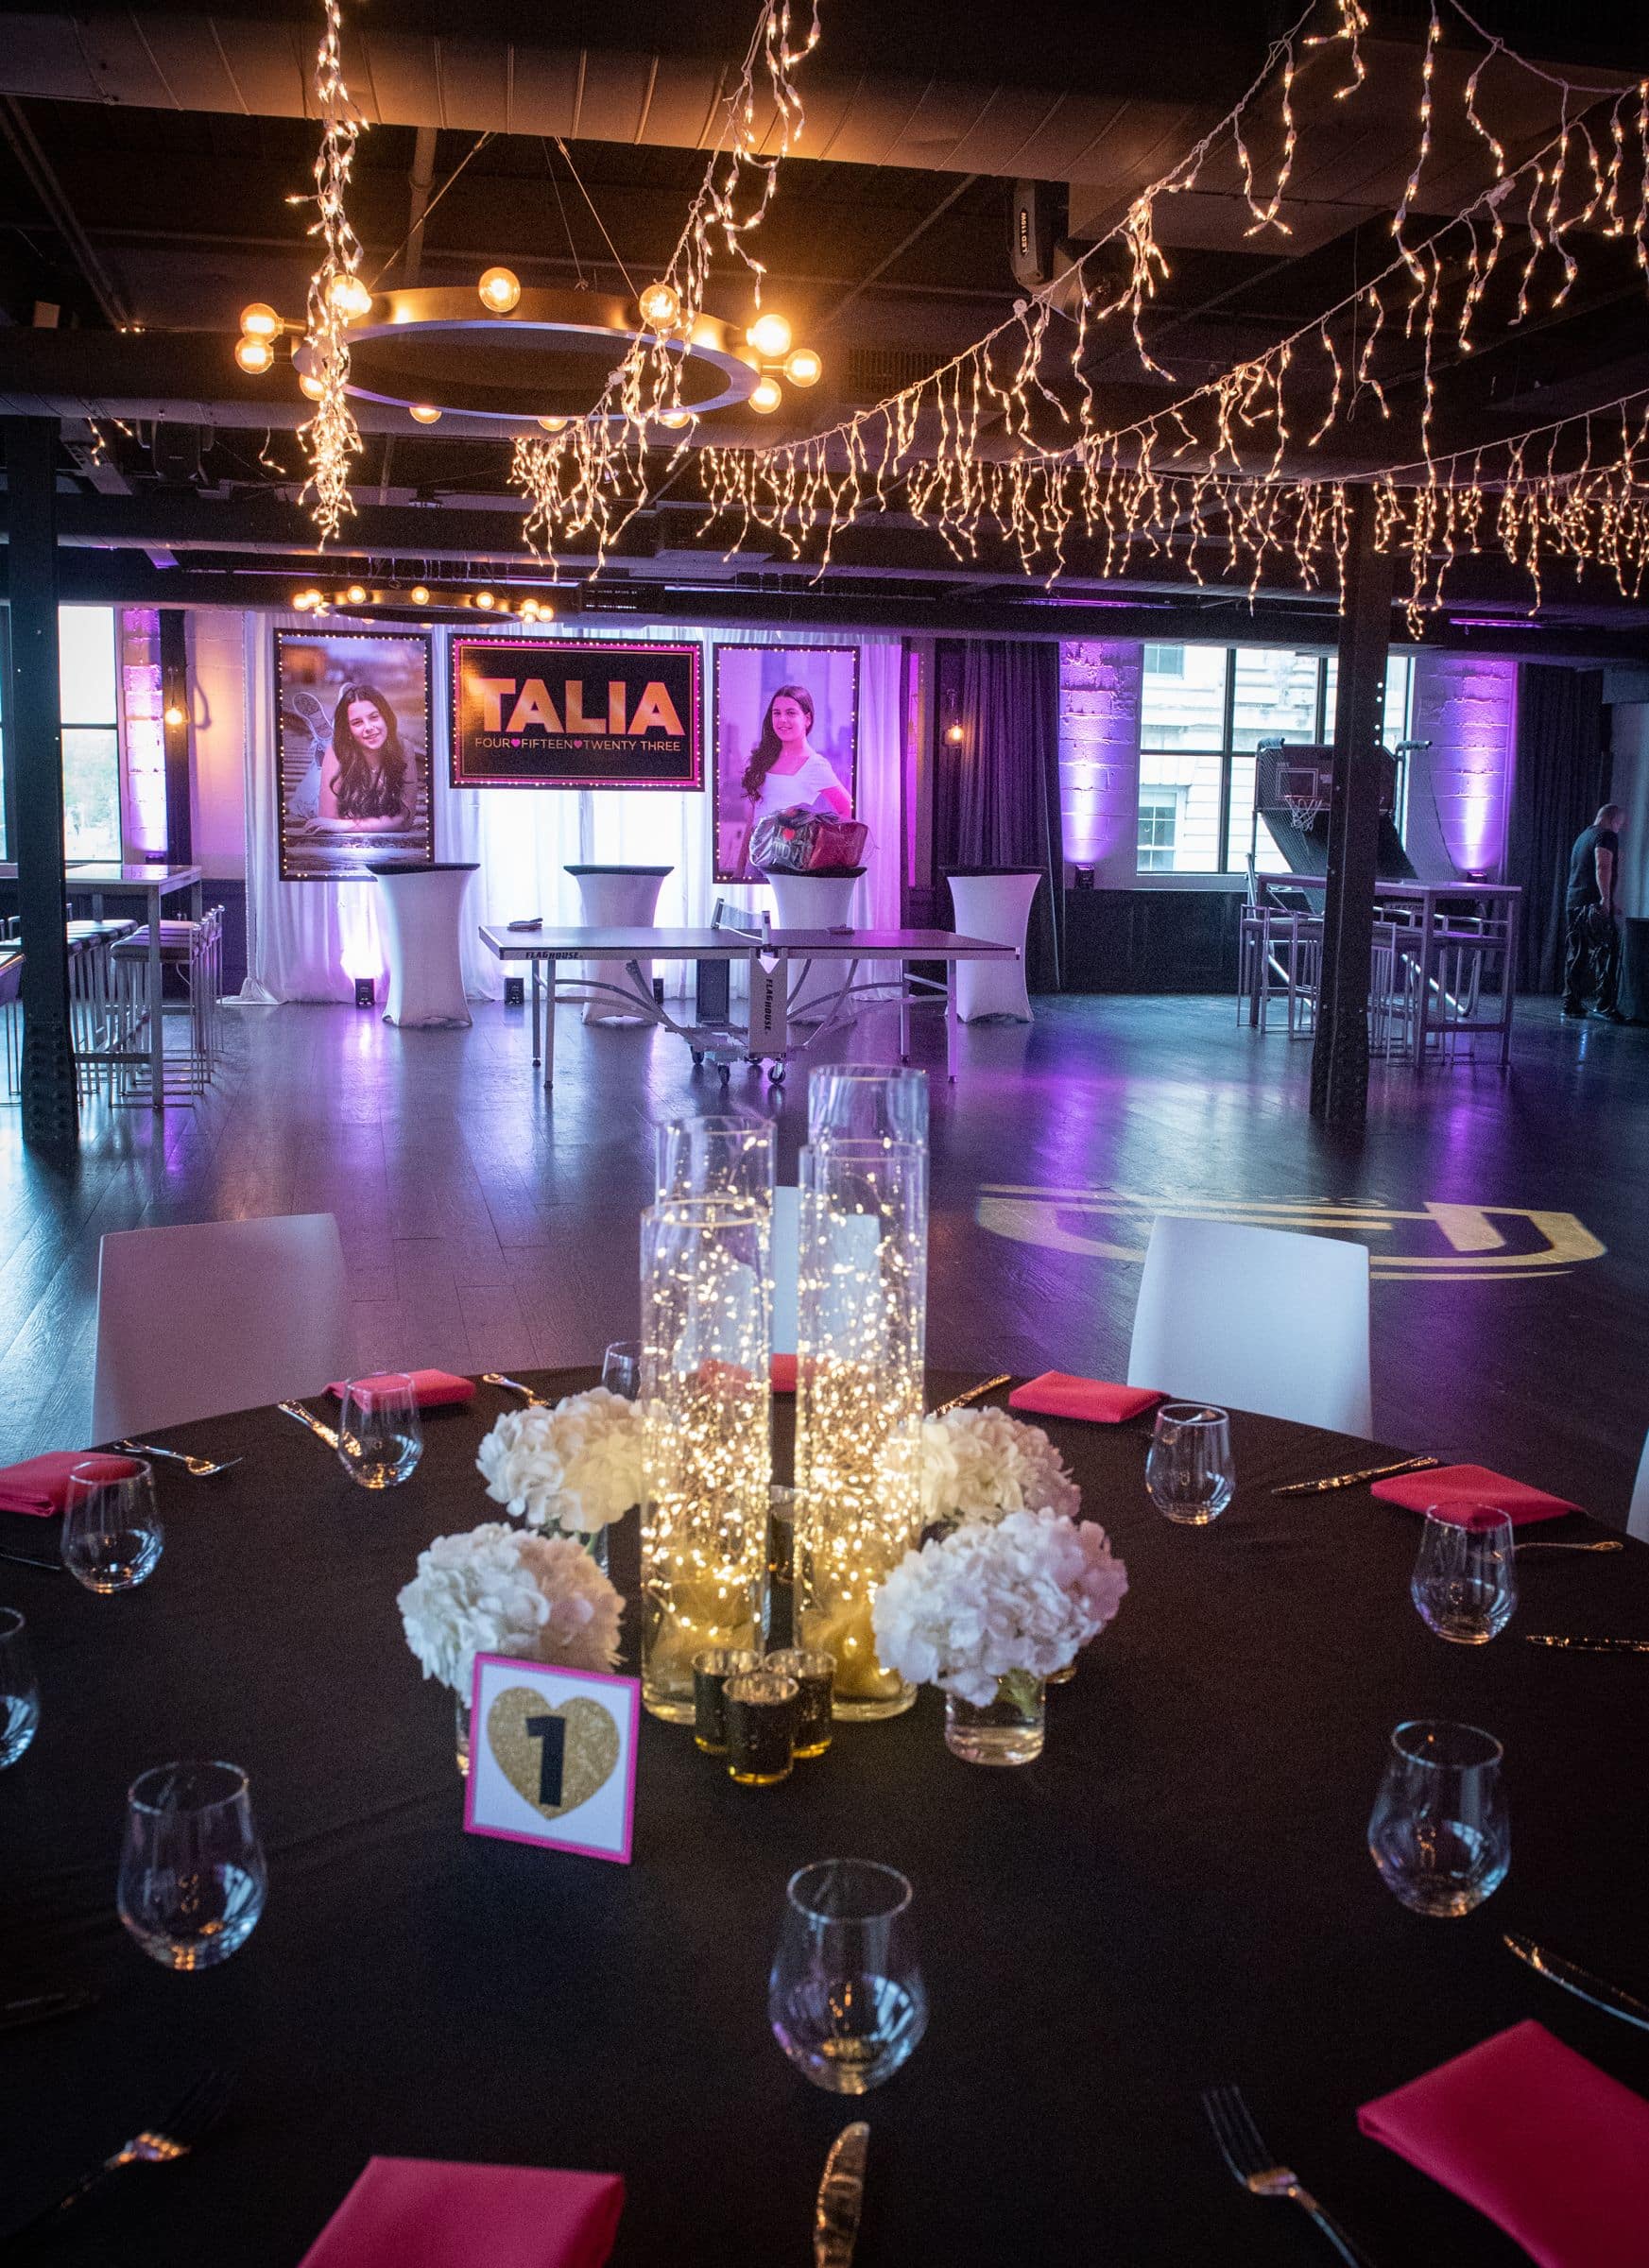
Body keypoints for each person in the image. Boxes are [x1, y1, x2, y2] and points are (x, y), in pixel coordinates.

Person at [736, 683, 850, 878]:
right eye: (776, 713)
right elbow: (753, 817)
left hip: (788, 858)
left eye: (790, 713)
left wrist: (821, 852)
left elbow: (846, 807)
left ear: (807, 719)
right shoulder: (766, 758)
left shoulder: (815, 765)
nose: (782, 719)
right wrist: (739, 868)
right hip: (755, 858)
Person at [316, 683, 415, 833]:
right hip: (313, 796)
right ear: (349, 732)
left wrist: (348, 826)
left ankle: (342, 717)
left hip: (355, 814)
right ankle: (324, 741)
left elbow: (405, 821)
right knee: (308, 791)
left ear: (386, 718)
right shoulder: (336, 751)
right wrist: (382, 823)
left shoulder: (404, 748)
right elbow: (327, 821)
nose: (369, 727)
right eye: (357, 722)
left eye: (374, 717)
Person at [1562, 800, 1625, 1022]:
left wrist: (1609, 901)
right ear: (1612, 820)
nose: (1619, 829)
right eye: (1619, 824)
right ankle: (1606, 1005)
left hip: (1574, 901)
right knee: (1610, 949)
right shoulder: (1606, 836)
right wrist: (1605, 900)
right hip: (1592, 905)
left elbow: (1586, 871)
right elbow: (1602, 866)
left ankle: (1571, 1003)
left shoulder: (1583, 837)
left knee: (1578, 953)